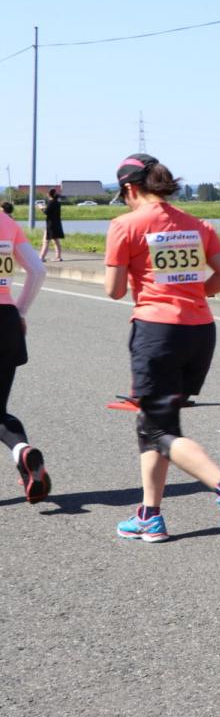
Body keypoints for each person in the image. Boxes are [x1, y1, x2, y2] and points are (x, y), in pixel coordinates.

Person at [104, 154, 220, 543]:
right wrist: (190, 293)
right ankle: (150, 515)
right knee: (158, 424)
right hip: (200, 331)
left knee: (157, 428)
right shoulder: (197, 224)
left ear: (129, 188)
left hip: (157, 332)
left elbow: (114, 290)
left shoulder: (125, 225)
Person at [0, 203, 49, 503]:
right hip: (6, 320)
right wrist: (20, 311)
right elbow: (38, 270)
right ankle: (23, 453)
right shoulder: (6, 222)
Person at [39, 188, 64, 262]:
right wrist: (45, 207)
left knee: (46, 241)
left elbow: (47, 212)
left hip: (51, 224)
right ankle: (58, 257)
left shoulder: (51, 202)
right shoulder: (57, 202)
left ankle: (41, 257)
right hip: (57, 223)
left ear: (49, 194)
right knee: (56, 241)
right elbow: (52, 211)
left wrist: (41, 208)